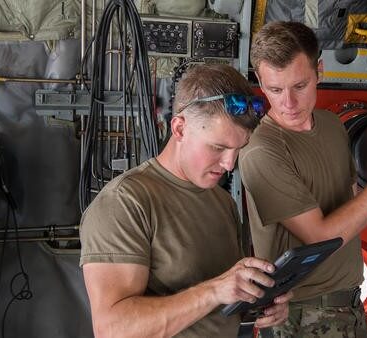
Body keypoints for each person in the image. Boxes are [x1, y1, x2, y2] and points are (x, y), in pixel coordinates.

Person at [239, 21, 367, 337]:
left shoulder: (331, 126)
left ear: (319, 71)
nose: (288, 104)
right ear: (260, 82)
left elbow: (356, 211)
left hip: (349, 307)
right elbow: (321, 237)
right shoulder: (263, 151)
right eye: (275, 90)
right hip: (299, 317)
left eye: (299, 86)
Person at [80, 64, 292, 338]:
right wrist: (214, 290)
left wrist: (259, 303)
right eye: (218, 147)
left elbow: (221, 307)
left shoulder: (222, 201)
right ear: (179, 128)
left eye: (238, 149)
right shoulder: (125, 203)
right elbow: (113, 330)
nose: (229, 164)